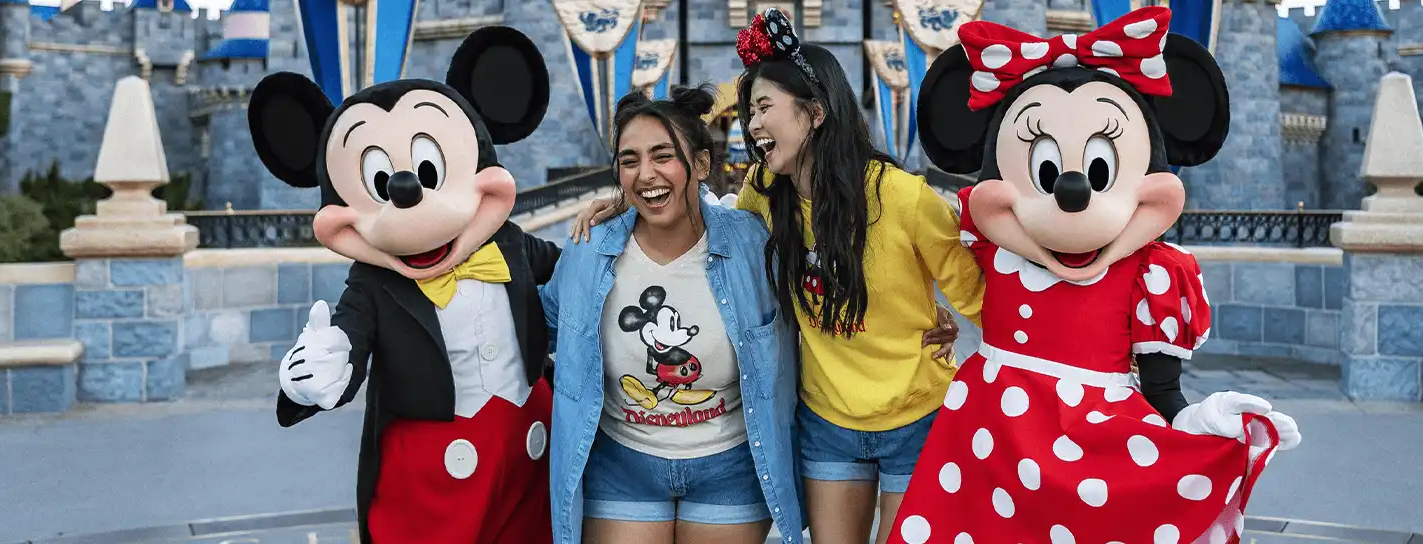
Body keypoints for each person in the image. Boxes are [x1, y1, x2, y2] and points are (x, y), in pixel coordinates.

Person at [883, 9, 1302, 543]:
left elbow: (1163, 393)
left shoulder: (1152, 274)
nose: (1072, 191)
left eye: (1099, 170)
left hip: (1092, 451)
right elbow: (916, 260)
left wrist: (1203, 425)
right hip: (986, 443)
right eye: (1047, 171)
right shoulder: (991, 246)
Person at [571, 9, 982, 544]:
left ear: (815, 112)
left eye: (764, 108)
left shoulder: (903, 197)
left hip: (917, 417)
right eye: (749, 112)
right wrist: (625, 205)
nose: (752, 125)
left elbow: (981, 296)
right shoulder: (765, 194)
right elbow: (704, 224)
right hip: (827, 424)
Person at [249, 27, 559, 543]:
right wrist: (317, 372)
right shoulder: (373, 282)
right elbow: (350, 340)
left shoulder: (509, 244)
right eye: (380, 183)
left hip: (529, 458)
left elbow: (579, 278)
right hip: (432, 482)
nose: (407, 192)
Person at [538, 85, 801, 544]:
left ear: (700, 164)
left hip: (730, 466)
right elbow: (539, 325)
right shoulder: (588, 250)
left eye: (663, 156)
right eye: (630, 161)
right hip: (621, 465)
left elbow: (817, 306)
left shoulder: (752, 245)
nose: (646, 174)